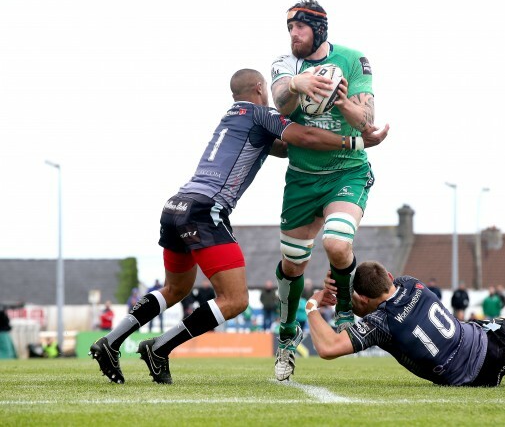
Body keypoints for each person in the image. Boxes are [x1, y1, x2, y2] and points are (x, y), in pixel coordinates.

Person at [89, 68, 389, 384]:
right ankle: (160, 347)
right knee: (235, 300)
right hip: (206, 211)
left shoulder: (233, 117)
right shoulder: (261, 114)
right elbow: (304, 137)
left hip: (176, 206)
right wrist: (354, 142)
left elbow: (288, 147)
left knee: (175, 288)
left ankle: (111, 341)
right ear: (260, 88)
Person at [270, 0, 382, 381]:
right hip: (302, 178)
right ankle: (287, 338)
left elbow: (366, 119)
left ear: (317, 28)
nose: (293, 35)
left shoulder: (354, 59)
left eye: (299, 27)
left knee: (336, 243)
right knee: (292, 264)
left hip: (346, 172)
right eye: (289, 28)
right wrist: (298, 83)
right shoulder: (286, 65)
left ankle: (346, 309)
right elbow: (279, 99)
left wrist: (342, 102)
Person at [306, 261, 505, 388]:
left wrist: (313, 305)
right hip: (490, 342)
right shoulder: (411, 282)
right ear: (390, 276)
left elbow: (328, 348)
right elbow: (373, 299)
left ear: (364, 298)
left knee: (499, 343)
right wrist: (345, 295)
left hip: (476, 378)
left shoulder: (380, 322)